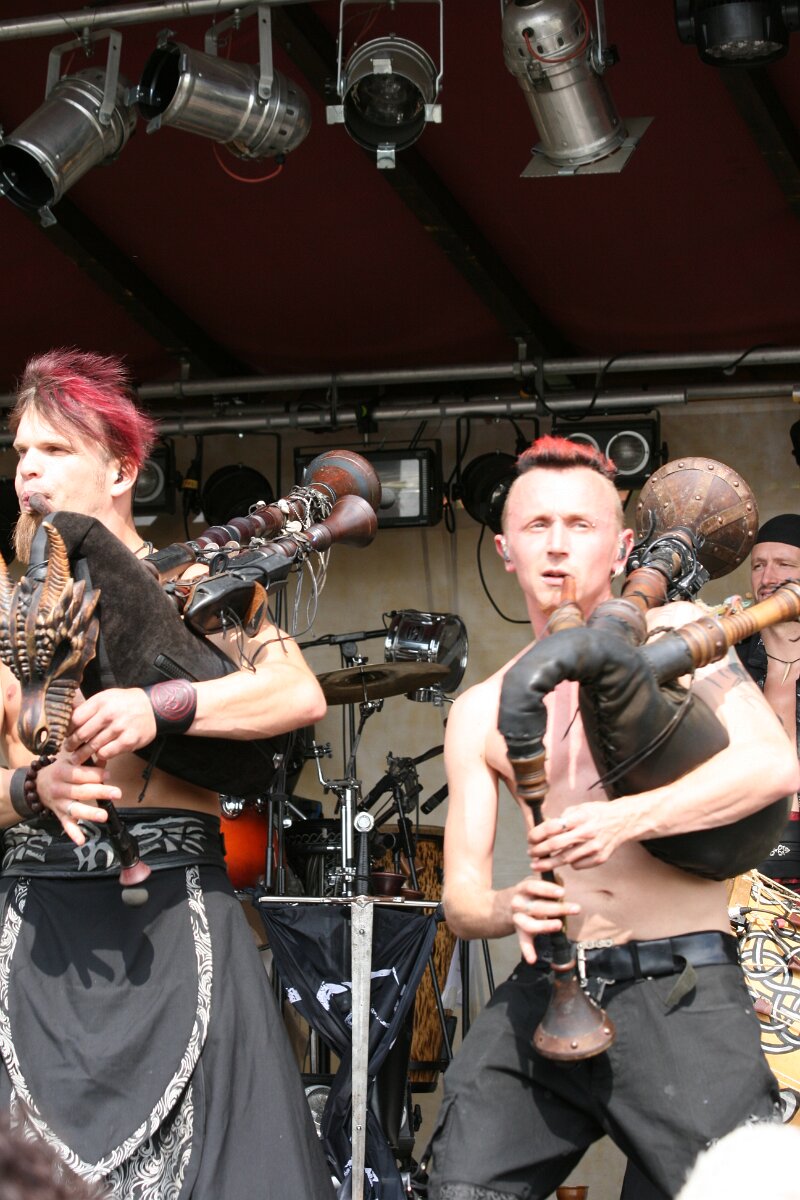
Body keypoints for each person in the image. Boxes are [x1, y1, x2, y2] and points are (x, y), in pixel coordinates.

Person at [424, 436, 798, 1200]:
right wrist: (507, 905)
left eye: (581, 525)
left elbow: (772, 768)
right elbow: (460, 901)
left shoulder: (681, 631)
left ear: (623, 546)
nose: (558, 545)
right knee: (460, 1186)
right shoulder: (479, 711)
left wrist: (625, 821)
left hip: (679, 982)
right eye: (537, 526)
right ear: (505, 550)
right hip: (550, 984)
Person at [0, 350, 335, 1199]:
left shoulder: (202, 582)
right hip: (36, 928)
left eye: (55, 450)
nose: (29, 469)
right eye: (21, 451)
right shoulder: (2, 599)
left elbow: (296, 695)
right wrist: (30, 788)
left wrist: (163, 706)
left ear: (122, 470)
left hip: (179, 912)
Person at [735, 513, 800, 889]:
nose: (768, 577)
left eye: (784, 565)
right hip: (741, 851)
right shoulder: (728, 656)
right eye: (758, 565)